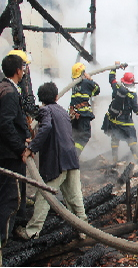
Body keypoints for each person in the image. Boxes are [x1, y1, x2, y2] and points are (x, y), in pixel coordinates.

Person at [16, 82, 87, 240]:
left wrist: (31, 148)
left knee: (44, 195)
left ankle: (32, 231)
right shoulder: (61, 111)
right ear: (56, 96)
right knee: (75, 196)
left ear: (41, 99)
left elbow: (47, 127)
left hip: (57, 160)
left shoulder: (45, 110)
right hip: (71, 158)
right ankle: (83, 229)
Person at [0, 54, 30, 244]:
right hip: (9, 155)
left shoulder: (5, 88)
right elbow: (5, 123)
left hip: (6, 152)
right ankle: (4, 241)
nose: (25, 71)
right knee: (11, 197)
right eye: (23, 67)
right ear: (18, 70)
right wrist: (21, 148)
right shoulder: (9, 92)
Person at [101, 68, 138, 163]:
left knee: (115, 138)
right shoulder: (132, 94)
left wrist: (114, 68)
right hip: (126, 121)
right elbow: (136, 109)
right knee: (132, 138)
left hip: (115, 120)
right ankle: (136, 157)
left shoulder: (116, 87)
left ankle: (115, 159)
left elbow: (111, 78)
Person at [69, 63, 100, 156]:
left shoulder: (74, 84)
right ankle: (74, 156)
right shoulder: (86, 82)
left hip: (74, 114)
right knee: (84, 136)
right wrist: (90, 79)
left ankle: (70, 155)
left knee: (74, 136)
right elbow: (97, 90)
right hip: (83, 114)